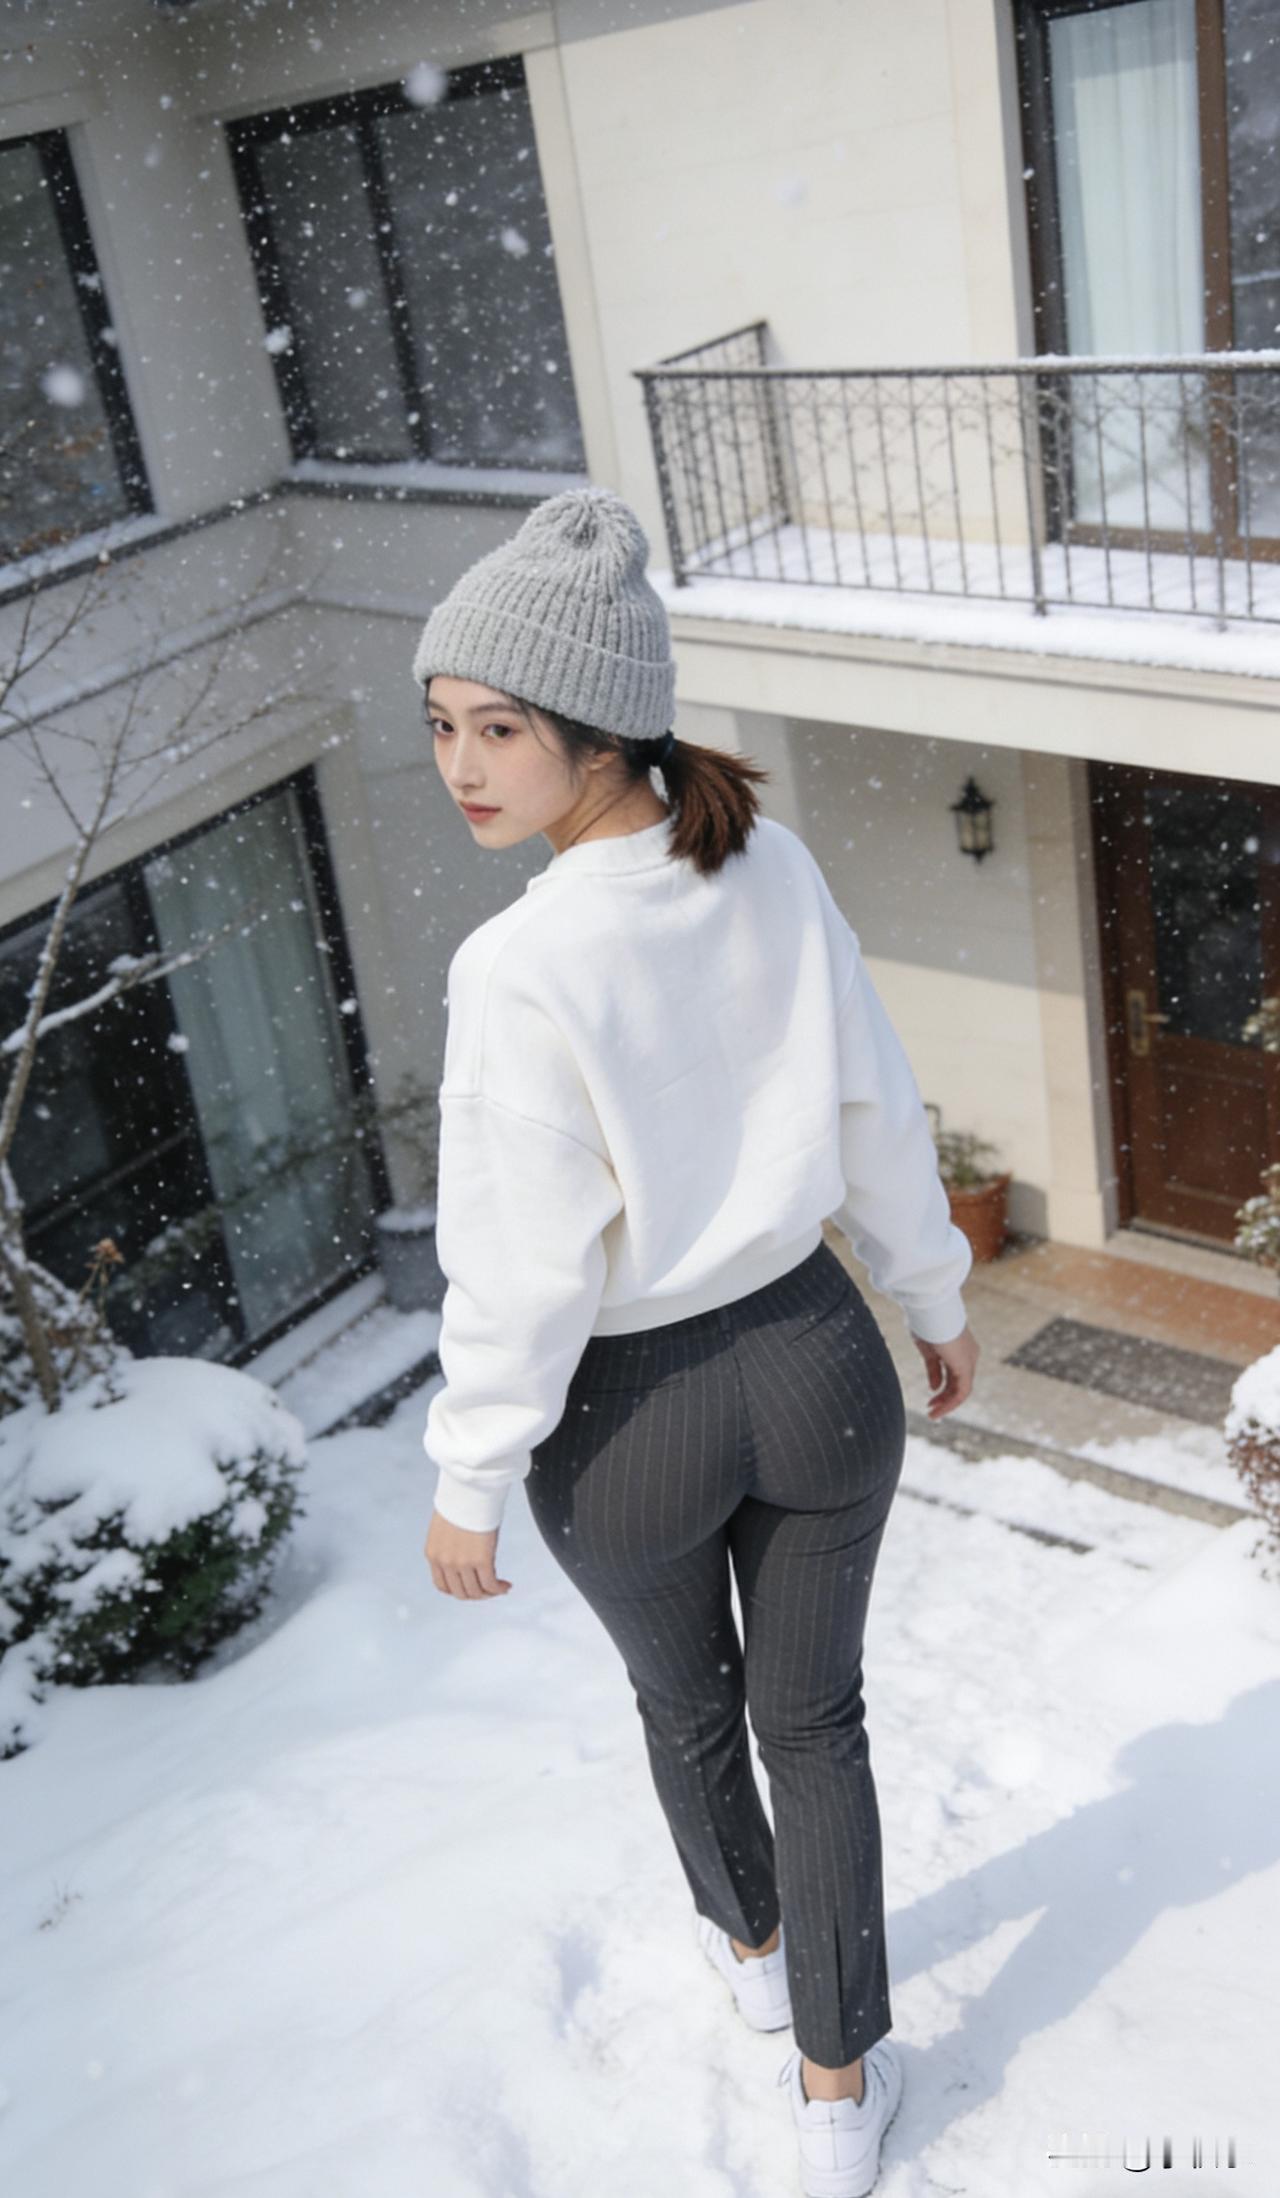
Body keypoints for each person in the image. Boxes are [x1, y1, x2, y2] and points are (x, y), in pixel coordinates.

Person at [415, 485, 979, 2198]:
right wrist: (932, 1293)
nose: (460, 766)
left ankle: (757, 1954)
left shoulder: (519, 964)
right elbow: (877, 1105)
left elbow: (517, 1258)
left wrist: (469, 1469)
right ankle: (837, 2084)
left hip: (629, 1416)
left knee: (692, 1708)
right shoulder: (773, 866)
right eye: (441, 724)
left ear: (600, 731)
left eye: (499, 728)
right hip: (817, 1360)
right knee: (817, 1727)